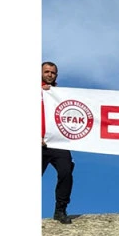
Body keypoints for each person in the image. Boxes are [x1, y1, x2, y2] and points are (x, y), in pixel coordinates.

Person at [41, 61, 73, 224]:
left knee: (66, 171)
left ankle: (60, 210)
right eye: (46, 72)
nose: (49, 75)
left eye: (52, 73)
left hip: (57, 142)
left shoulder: (60, 94)